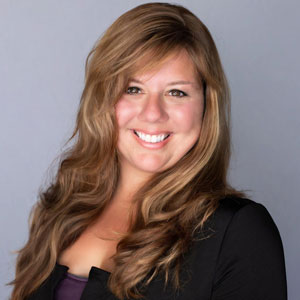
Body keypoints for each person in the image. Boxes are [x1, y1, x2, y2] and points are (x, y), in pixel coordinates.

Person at [10, 2, 287, 300]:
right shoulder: (59, 210)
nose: (153, 113)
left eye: (176, 92)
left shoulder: (237, 233)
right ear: (103, 99)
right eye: (133, 89)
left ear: (207, 106)